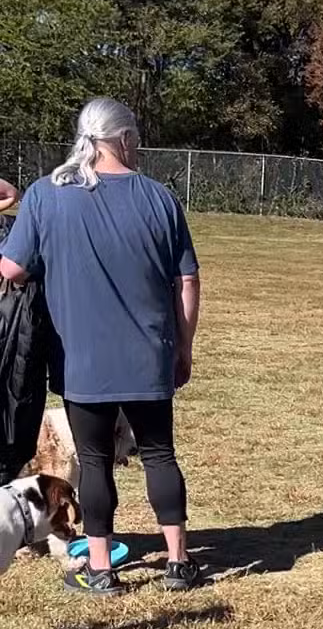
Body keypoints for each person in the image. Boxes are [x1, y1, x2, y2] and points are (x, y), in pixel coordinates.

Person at [0, 97, 203, 595]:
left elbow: (12, 269)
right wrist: (184, 346)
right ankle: (178, 563)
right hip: (149, 354)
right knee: (160, 454)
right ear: (124, 139)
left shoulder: (46, 196)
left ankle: (100, 569)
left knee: (93, 462)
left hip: (81, 359)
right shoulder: (159, 198)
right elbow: (187, 280)